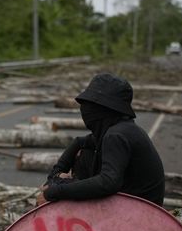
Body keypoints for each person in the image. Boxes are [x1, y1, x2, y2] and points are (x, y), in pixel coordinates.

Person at [37, 73, 165, 206]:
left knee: (63, 189)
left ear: (103, 108)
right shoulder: (121, 128)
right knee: (85, 152)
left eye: (90, 105)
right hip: (133, 203)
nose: (85, 109)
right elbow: (79, 142)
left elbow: (108, 182)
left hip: (140, 210)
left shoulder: (116, 135)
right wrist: (54, 176)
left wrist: (54, 191)